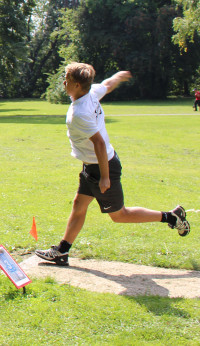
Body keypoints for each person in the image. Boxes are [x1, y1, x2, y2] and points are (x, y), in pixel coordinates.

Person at [35, 63, 190, 267]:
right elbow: (108, 84)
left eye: (68, 80)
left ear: (78, 85)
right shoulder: (90, 94)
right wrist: (119, 75)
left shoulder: (79, 114)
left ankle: (171, 217)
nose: (64, 83)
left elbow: (98, 143)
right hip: (92, 167)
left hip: (102, 166)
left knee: (119, 215)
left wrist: (105, 177)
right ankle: (62, 252)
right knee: (79, 205)